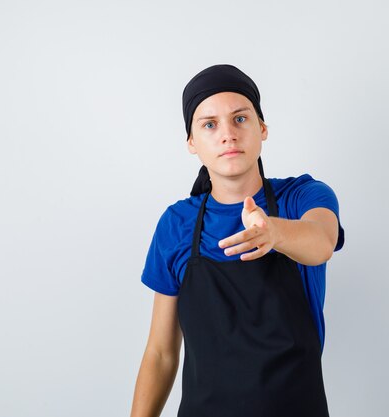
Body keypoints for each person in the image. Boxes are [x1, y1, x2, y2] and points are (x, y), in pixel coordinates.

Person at [130, 64, 345, 417]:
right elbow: (161, 352)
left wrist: (273, 232)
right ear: (191, 142)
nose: (227, 134)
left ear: (262, 128)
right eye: (210, 124)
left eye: (240, 119)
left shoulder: (302, 196)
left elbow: (322, 241)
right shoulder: (177, 224)